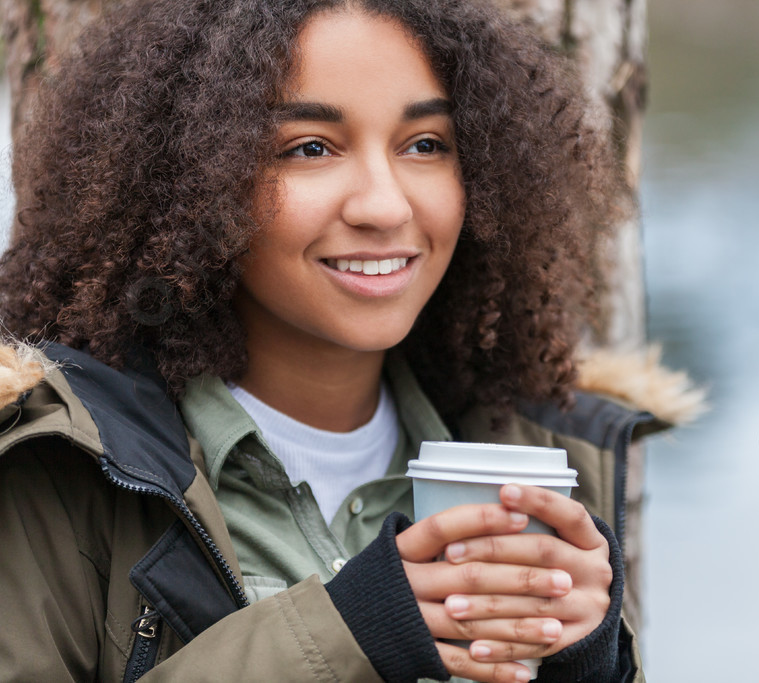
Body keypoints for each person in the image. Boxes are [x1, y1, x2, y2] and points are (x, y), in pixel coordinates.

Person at [0, 0, 693, 681]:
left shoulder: (550, 447)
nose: (384, 205)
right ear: (190, 179)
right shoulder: (55, 463)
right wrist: (351, 634)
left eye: (425, 144)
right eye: (310, 148)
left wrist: (588, 664)